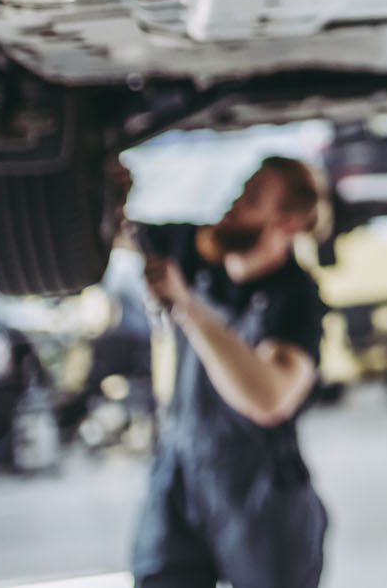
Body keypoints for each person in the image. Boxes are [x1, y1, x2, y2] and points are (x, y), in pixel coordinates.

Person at [133, 156, 330, 588]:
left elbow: (270, 399)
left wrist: (188, 309)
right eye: (242, 191)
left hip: (261, 490)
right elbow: (102, 236)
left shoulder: (295, 297)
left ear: (289, 221)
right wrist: (105, 190)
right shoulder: (192, 250)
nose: (234, 205)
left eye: (253, 200)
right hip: (179, 471)